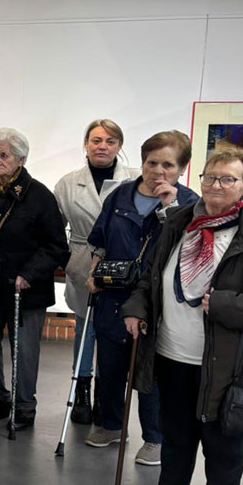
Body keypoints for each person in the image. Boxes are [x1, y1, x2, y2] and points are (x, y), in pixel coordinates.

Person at [122, 146, 243, 485]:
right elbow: (151, 275)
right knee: (175, 428)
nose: (215, 185)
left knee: (222, 437)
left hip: (226, 360)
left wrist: (224, 304)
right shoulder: (180, 221)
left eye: (228, 179)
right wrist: (136, 307)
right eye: (209, 177)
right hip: (172, 350)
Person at [85, 131, 197, 462]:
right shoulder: (120, 195)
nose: (158, 171)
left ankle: (155, 437)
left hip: (157, 300)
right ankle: (110, 425)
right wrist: (94, 272)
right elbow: (100, 240)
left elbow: (190, 248)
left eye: (168, 165)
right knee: (109, 366)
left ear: (182, 168)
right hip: (112, 295)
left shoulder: (189, 203)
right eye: (151, 163)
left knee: (151, 371)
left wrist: (170, 207)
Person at [0, 128, 70, 430]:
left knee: (24, 349)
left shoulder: (40, 197)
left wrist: (29, 274)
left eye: (4, 155)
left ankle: (24, 405)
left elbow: (56, 247)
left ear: (21, 159)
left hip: (26, 288)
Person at [53, 120, 140, 425]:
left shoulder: (135, 180)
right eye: (96, 140)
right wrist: (68, 261)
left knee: (112, 333)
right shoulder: (67, 183)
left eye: (110, 141)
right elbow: (54, 229)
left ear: (119, 146)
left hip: (122, 265)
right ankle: (81, 392)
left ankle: (106, 393)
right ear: (86, 144)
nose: (103, 146)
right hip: (82, 263)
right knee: (85, 329)